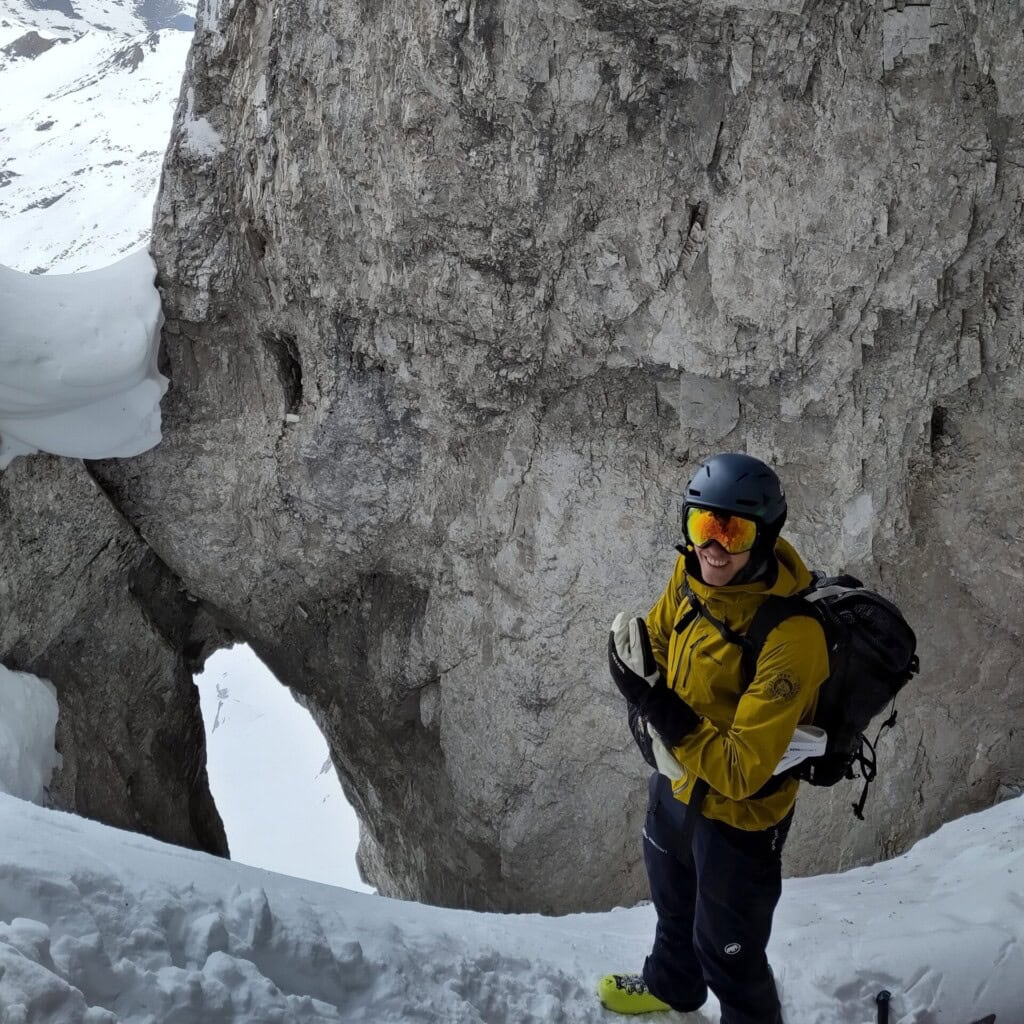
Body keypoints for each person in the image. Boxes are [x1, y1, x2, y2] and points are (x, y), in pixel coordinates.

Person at [599, 452, 830, 1024]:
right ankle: (673, 987)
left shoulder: (792, 638)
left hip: (740, 820)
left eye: (734, 531)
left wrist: (653, 702)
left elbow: (741, 770)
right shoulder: (692, 575)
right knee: (673, 907)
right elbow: (656, 632)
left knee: (728, 950)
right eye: (704, 525)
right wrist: (632, 657)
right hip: (676, 785)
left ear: (765, 536)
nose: (715, 547)